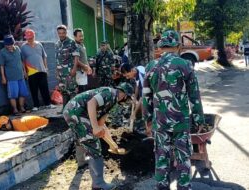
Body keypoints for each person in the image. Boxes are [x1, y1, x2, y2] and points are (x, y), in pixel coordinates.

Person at [142, 30, 205, 190]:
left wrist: (148, 119)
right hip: (180, 122)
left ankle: (162, 186)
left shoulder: (151, 66)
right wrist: (199, 120)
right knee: (183, 156)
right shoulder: (185, 65)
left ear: (161, 46)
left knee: (161, 156)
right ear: (178, 46)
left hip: (160, 122)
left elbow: (146, 97)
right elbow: (194, 96)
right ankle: (184, 186)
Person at [63, 82, 134, 190]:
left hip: (74, 111)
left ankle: (82, 162)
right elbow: (91, 103)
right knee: (93, 144)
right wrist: (95, 127)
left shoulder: (112, 102)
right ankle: (98, 184)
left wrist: (112, 144)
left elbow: (102, 125)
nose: (126, 101)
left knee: (82, 137)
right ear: (125, 94)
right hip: (76, 112)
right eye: (127, 98)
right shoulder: (109, 93)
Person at [21, 29, 56, 111]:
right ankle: (36, 106)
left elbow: (44, 57)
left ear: (34, 36)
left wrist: (46, 68)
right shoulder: (23, 47)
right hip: (31, 71)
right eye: (28, 38)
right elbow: (22, 60)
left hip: (42, 70)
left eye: (31, 37)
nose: (30, 39)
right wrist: (24, 71)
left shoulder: (39, 45)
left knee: (44, 88)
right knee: (33, 89)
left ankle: (48, 104)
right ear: (26, 38)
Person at [0, 35, 28, 115]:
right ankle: (15, 110)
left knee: (23, 93)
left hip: (21, 76)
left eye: (10, 44)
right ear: (5, 45)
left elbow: (22, 61)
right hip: (11, 77)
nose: (9, 46)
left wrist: (25, 72)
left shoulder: (18, 49)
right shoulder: (3, 52)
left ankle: (22, 107)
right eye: (7, 45)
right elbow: (1, 65)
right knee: (13, 95)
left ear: (13, 43)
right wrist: (3, 77)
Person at [55, 25, 80, 111]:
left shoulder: (71, 42)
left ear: (66, 32)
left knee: (72, 90)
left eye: (63, 33)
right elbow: (57, 59)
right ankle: (65, 109)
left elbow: (76, 57)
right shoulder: (57, 44)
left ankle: (73, 109)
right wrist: (57, 72)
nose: (61, 35)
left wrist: (74, 69)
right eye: (59, 33)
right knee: (64, 91)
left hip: (69, 71)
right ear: (57, 33)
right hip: (61, 72)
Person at [73, 28, 92, 93]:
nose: (82, 37)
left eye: (82, 35)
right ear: (75, 37)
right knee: (81, 91)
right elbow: (76, 61)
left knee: (84, 90)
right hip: (79, 72)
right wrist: (85, 67)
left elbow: (84, 58)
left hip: (83, 71)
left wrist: (88, 67)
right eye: (80, 36)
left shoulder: (81, 45)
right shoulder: (75, 46)